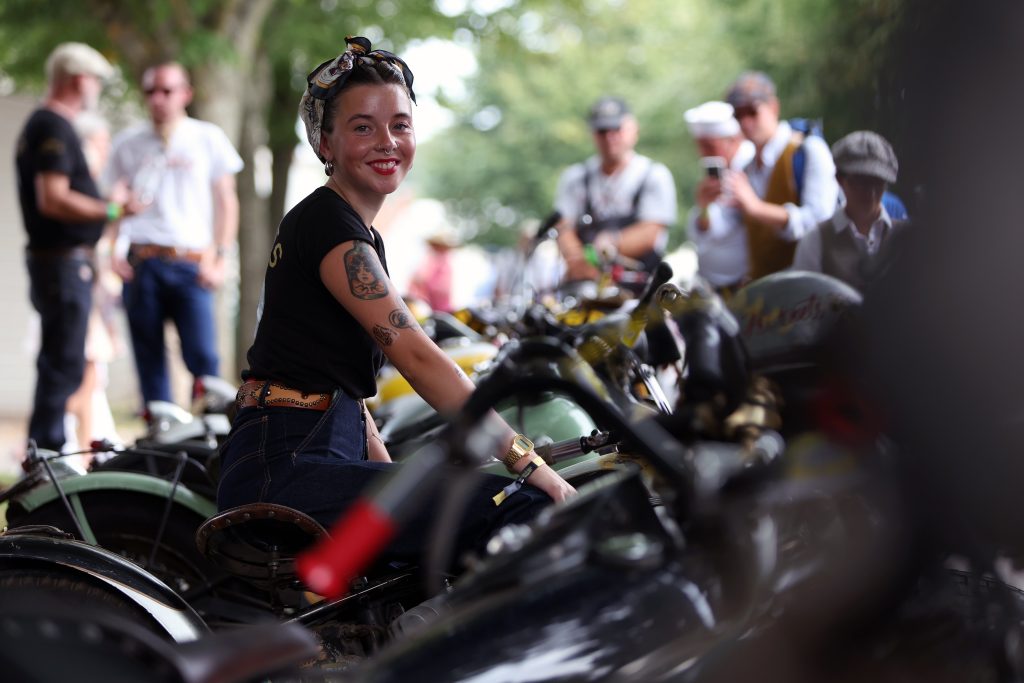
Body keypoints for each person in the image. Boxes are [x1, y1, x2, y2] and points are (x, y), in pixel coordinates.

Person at [216, 37, 575, 567]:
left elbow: (340, 385)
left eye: (400, 125)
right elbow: (418, 356)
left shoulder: (345, 228)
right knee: (517, 506)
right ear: (325, 144)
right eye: (363, 126)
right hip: (287, 470)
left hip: (296, 460)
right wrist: (531, 465)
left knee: (410, 566)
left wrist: (384, 466)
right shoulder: (330, 226)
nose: (386, 141)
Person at [14, 42, 140, 452]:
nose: (97, 90)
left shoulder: (46, 123)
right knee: (63, 364)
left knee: (61, 362)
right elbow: (53, 197)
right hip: (64, 265)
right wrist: (112, 208)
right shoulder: (53, 125)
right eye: (97, 81)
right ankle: (46, 457)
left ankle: (44, 454)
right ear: (79, 79)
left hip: (61, 264)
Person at [106, 62, 243, 409]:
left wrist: (220, 256)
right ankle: (161, 448)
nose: (158, 99)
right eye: (151, 91)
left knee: (204, 359)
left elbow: (226, 201)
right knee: (149, 363)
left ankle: (212, 438)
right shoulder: (127, 143)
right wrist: (110, 250)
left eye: (167, 90)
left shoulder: (207, 137)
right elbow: (111, 205)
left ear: (185, 93)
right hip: (142, 263)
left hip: (191, 264)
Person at [553, 96, 677, 291]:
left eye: (616, 129)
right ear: (592, 134)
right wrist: (581, 263)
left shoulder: (653, 175)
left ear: (633, 130)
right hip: (587, 286)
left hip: (639, 288)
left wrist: (609, 245)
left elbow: (651, 232)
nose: (610, 137)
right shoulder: (575, 178)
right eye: (602, 131)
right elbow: (563, 228)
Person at [724, 71, 839, 281]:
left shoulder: (808, 150)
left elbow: (820, 222)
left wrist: (756, 207)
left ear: (774, 107)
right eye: (738, 115)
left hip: (811, 288)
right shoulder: (745, 167)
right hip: (765, 293)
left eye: (751, 111)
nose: (745, 122)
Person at [792, 131, 906, 291]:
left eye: (878, 182)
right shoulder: (816, 240)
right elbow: (801, 299)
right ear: (839, 179)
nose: (871, 192)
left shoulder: (907, 237)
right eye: (861, 182)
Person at [683, 100, 755, 295]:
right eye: (700, 146)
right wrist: (704, 205)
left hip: (748, 284)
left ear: (733, 139)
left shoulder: (753, 166)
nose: (703, 153)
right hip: (715, 287)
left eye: (709, 146)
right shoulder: (719, 173)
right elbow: (708, 231)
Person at [407, 226, 458, 312]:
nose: (436, 248)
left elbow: (443, 289)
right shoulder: (427, 260)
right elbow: (414, 280)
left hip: (437, 309)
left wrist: (424, 282)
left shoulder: (446, 265)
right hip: (420, 304)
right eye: (435, 245)